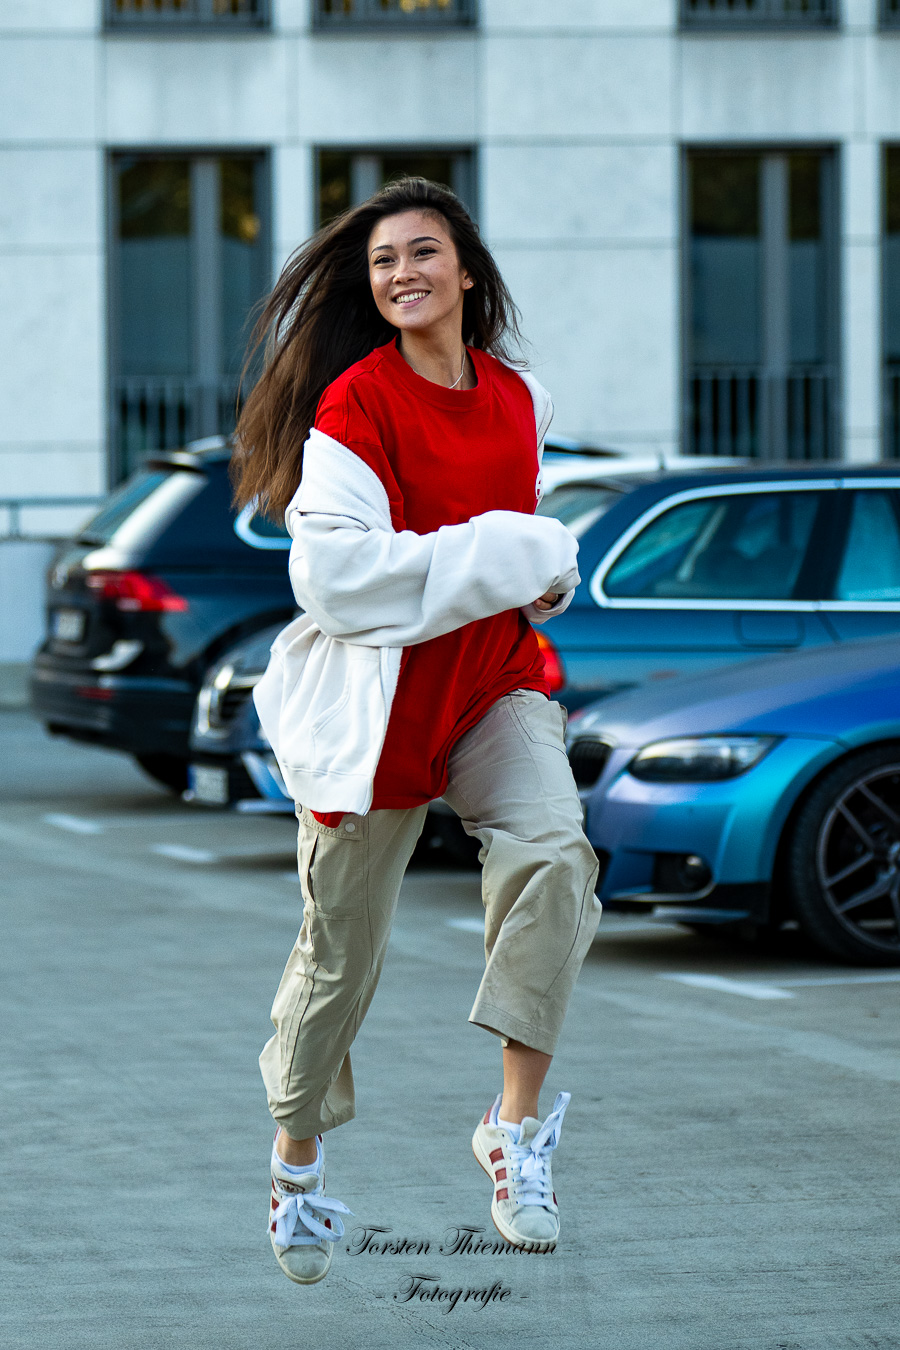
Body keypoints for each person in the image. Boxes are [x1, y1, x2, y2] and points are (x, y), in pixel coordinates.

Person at [231, 177, 602, 1286]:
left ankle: (515, 1132)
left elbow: (526, 547)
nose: (402, 273)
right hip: (378, 713)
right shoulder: (353, 405)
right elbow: (340, 582)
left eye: (423, 252)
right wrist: (508, 550)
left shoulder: (514, 397)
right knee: (339, 959)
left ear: (468, 274)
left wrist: (547, 576)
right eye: (384, 261)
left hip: (491, 685)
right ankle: (297, 1164)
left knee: (554, 857)